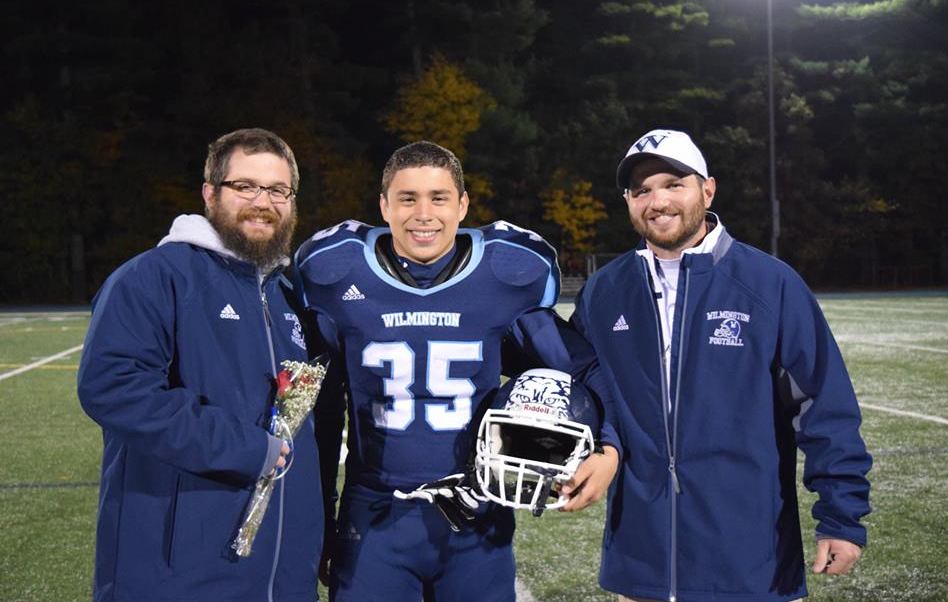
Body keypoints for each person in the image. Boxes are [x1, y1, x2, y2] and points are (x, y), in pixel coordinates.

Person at [294, 140, 619, 602]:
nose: (423, 214)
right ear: (384, 206)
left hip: (475, 515)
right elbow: (321, 411)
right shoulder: (338, 273)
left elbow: (583, 368)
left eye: (439, 198)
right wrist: (321, 516)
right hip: (375, 514)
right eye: (408, 198)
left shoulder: (503, 277)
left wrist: (609, 448)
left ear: (462, 205)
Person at [570, 129, 872, 602]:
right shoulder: (604, 292)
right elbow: (588, 397)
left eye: (674, 184)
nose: (657, 201)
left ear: (707, 190)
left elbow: (823, 406)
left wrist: (841, 516)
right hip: (640, 564)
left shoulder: (770, 284)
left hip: (749, 565)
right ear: (628, 201)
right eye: (641, 190)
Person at [78, 128, 340, 602]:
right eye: (246, 186)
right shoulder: (154, 277)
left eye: (278, 190)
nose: (263, 202)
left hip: (283, 577)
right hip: (177, 577)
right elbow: (114, 388)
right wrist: (245, 448)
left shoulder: (291, 295)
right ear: (209, 193)